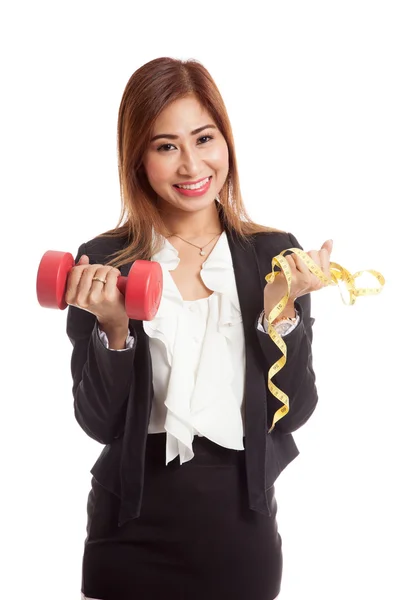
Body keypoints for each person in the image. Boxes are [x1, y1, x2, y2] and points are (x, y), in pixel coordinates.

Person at [66, 57, 333, 600]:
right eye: (166, 146)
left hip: (239, 528)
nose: (191, 165)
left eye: (204, 139)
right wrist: (114, 329)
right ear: (138, 159)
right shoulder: (103, 261)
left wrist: (280, 313)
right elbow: (98, 422)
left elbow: (296, 411)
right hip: (127, 528)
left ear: (225, 141)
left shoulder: (272, 256)